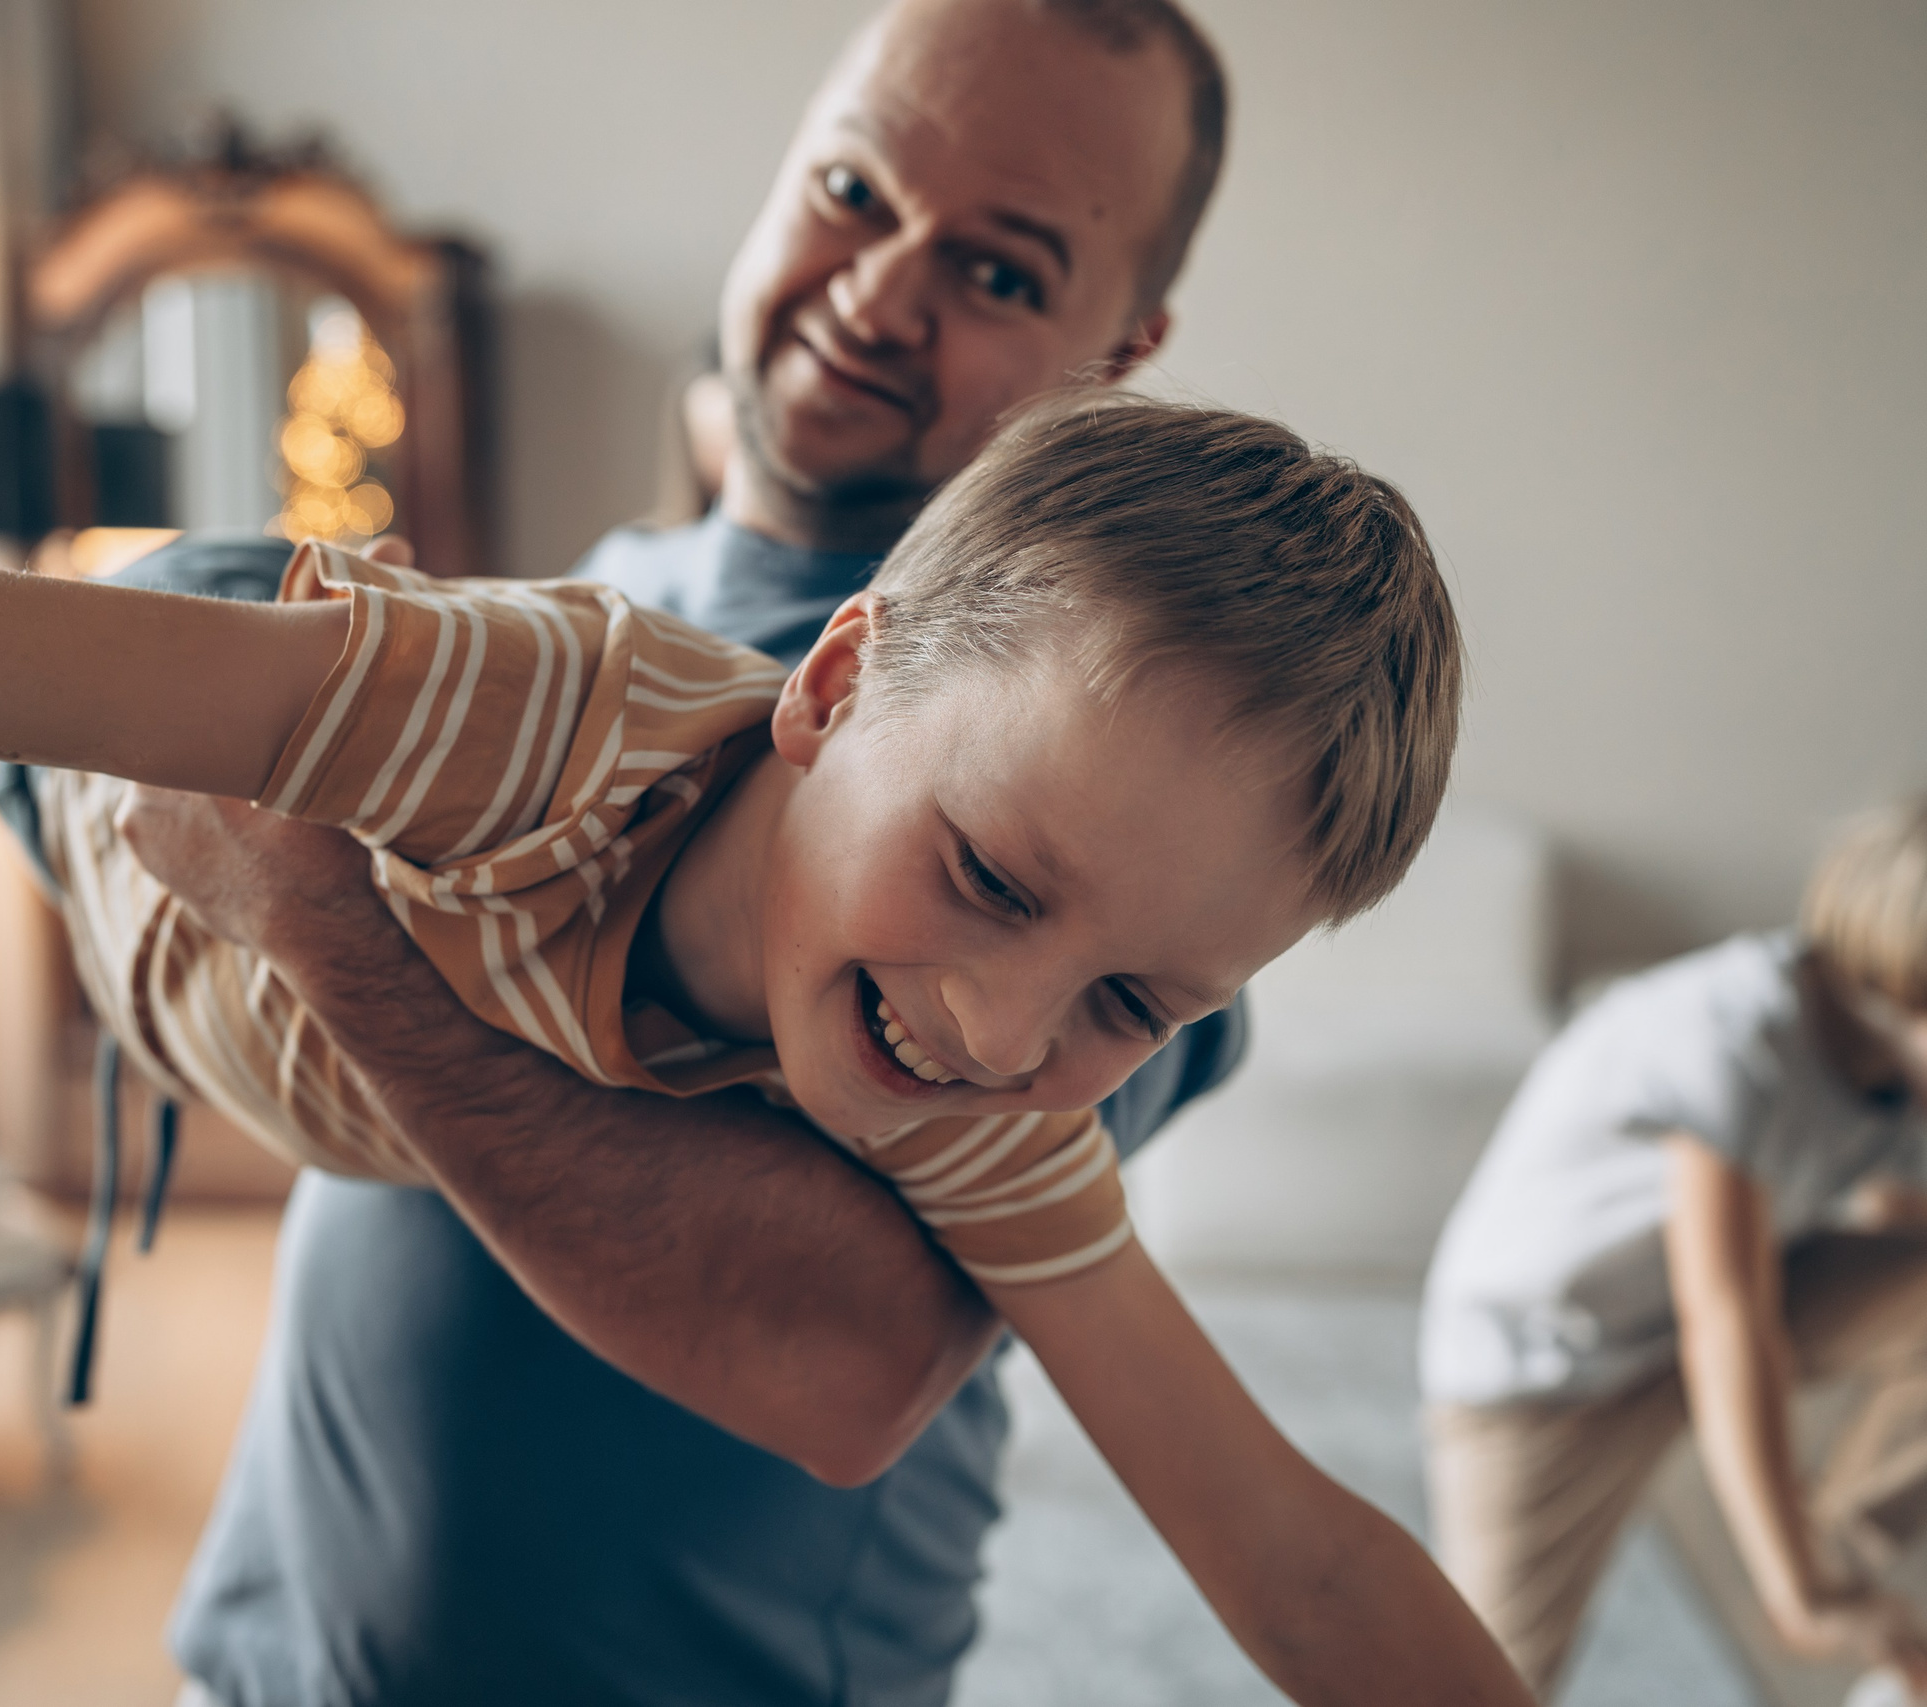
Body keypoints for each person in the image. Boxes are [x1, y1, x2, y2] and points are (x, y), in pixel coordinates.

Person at [0, 385, 1529, 1705]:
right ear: (834, 679)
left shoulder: (987, 1097)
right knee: (125, 643)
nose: (995, 1026)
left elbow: (1290, 1546)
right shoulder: (516, 722)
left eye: (1136, 1009)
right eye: (982, 873)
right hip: (176, 853)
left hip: (320, 969)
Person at [106, 4, 1259, 1700]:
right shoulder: (594, 602)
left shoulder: (1072, 799)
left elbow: (843, 1355)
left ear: (1122, 348)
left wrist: (324, 931)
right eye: (855, 189)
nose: (877, 293)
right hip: (274, 1655)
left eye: (1001, 273)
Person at [1421, 798, 1927, 1702]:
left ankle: (1842, 1552)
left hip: (1735, 1301)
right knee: (1481, 1679)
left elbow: (1896, 1221)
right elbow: (1724, 1318)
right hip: (1544, 1365)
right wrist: (1794, 1587)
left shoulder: (1904, 1073)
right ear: (1898, 988)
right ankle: (1809, 1583)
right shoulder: (1734, 1032)